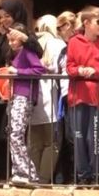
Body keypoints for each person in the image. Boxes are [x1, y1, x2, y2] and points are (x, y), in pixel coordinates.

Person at [66, 6, 99, 185]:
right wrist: (80, 70)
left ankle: (96, 175)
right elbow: (69, 67)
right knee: (78, 137)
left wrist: (94, 71)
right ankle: (83, 176)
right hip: (77, 96)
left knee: (95, 137)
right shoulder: (74, 42)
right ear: (86, 23)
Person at [0, 0, 30, 182]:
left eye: (7, 16)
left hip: (17, 92)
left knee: (11, 135)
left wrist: (22, 38)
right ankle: (1, 176)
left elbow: (35, 52)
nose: (4, 20)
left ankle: (15, 174)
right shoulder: (2, 38)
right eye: (1, 17)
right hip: (0, 92)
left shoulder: (23, 35)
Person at [5, 23, 46, 185]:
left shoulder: (28, 51)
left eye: (14, 40)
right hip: (15, 96)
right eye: (9, 40)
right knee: (13, 134)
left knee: (16, 133)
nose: (11, 43)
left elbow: (39, 70)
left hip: (24, 96)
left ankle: (28, 172)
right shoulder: (15, 54)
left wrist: (18, 72)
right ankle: (19, 172)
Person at [29, 15, 65, 184]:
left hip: (32, 96)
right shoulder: (58, 44)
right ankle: (43, 179)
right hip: (51, 95)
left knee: (34, 143)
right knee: (52, 142)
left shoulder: (30, 43)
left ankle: (33, 177)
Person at [53, 11, 77, 185]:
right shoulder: (63, 48)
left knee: (73, 137)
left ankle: (76, 176)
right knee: (64, 137)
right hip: (63, 95)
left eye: (60, 27)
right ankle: (63, 177)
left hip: (74, 95)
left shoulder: (76, 46)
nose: (59, 31)